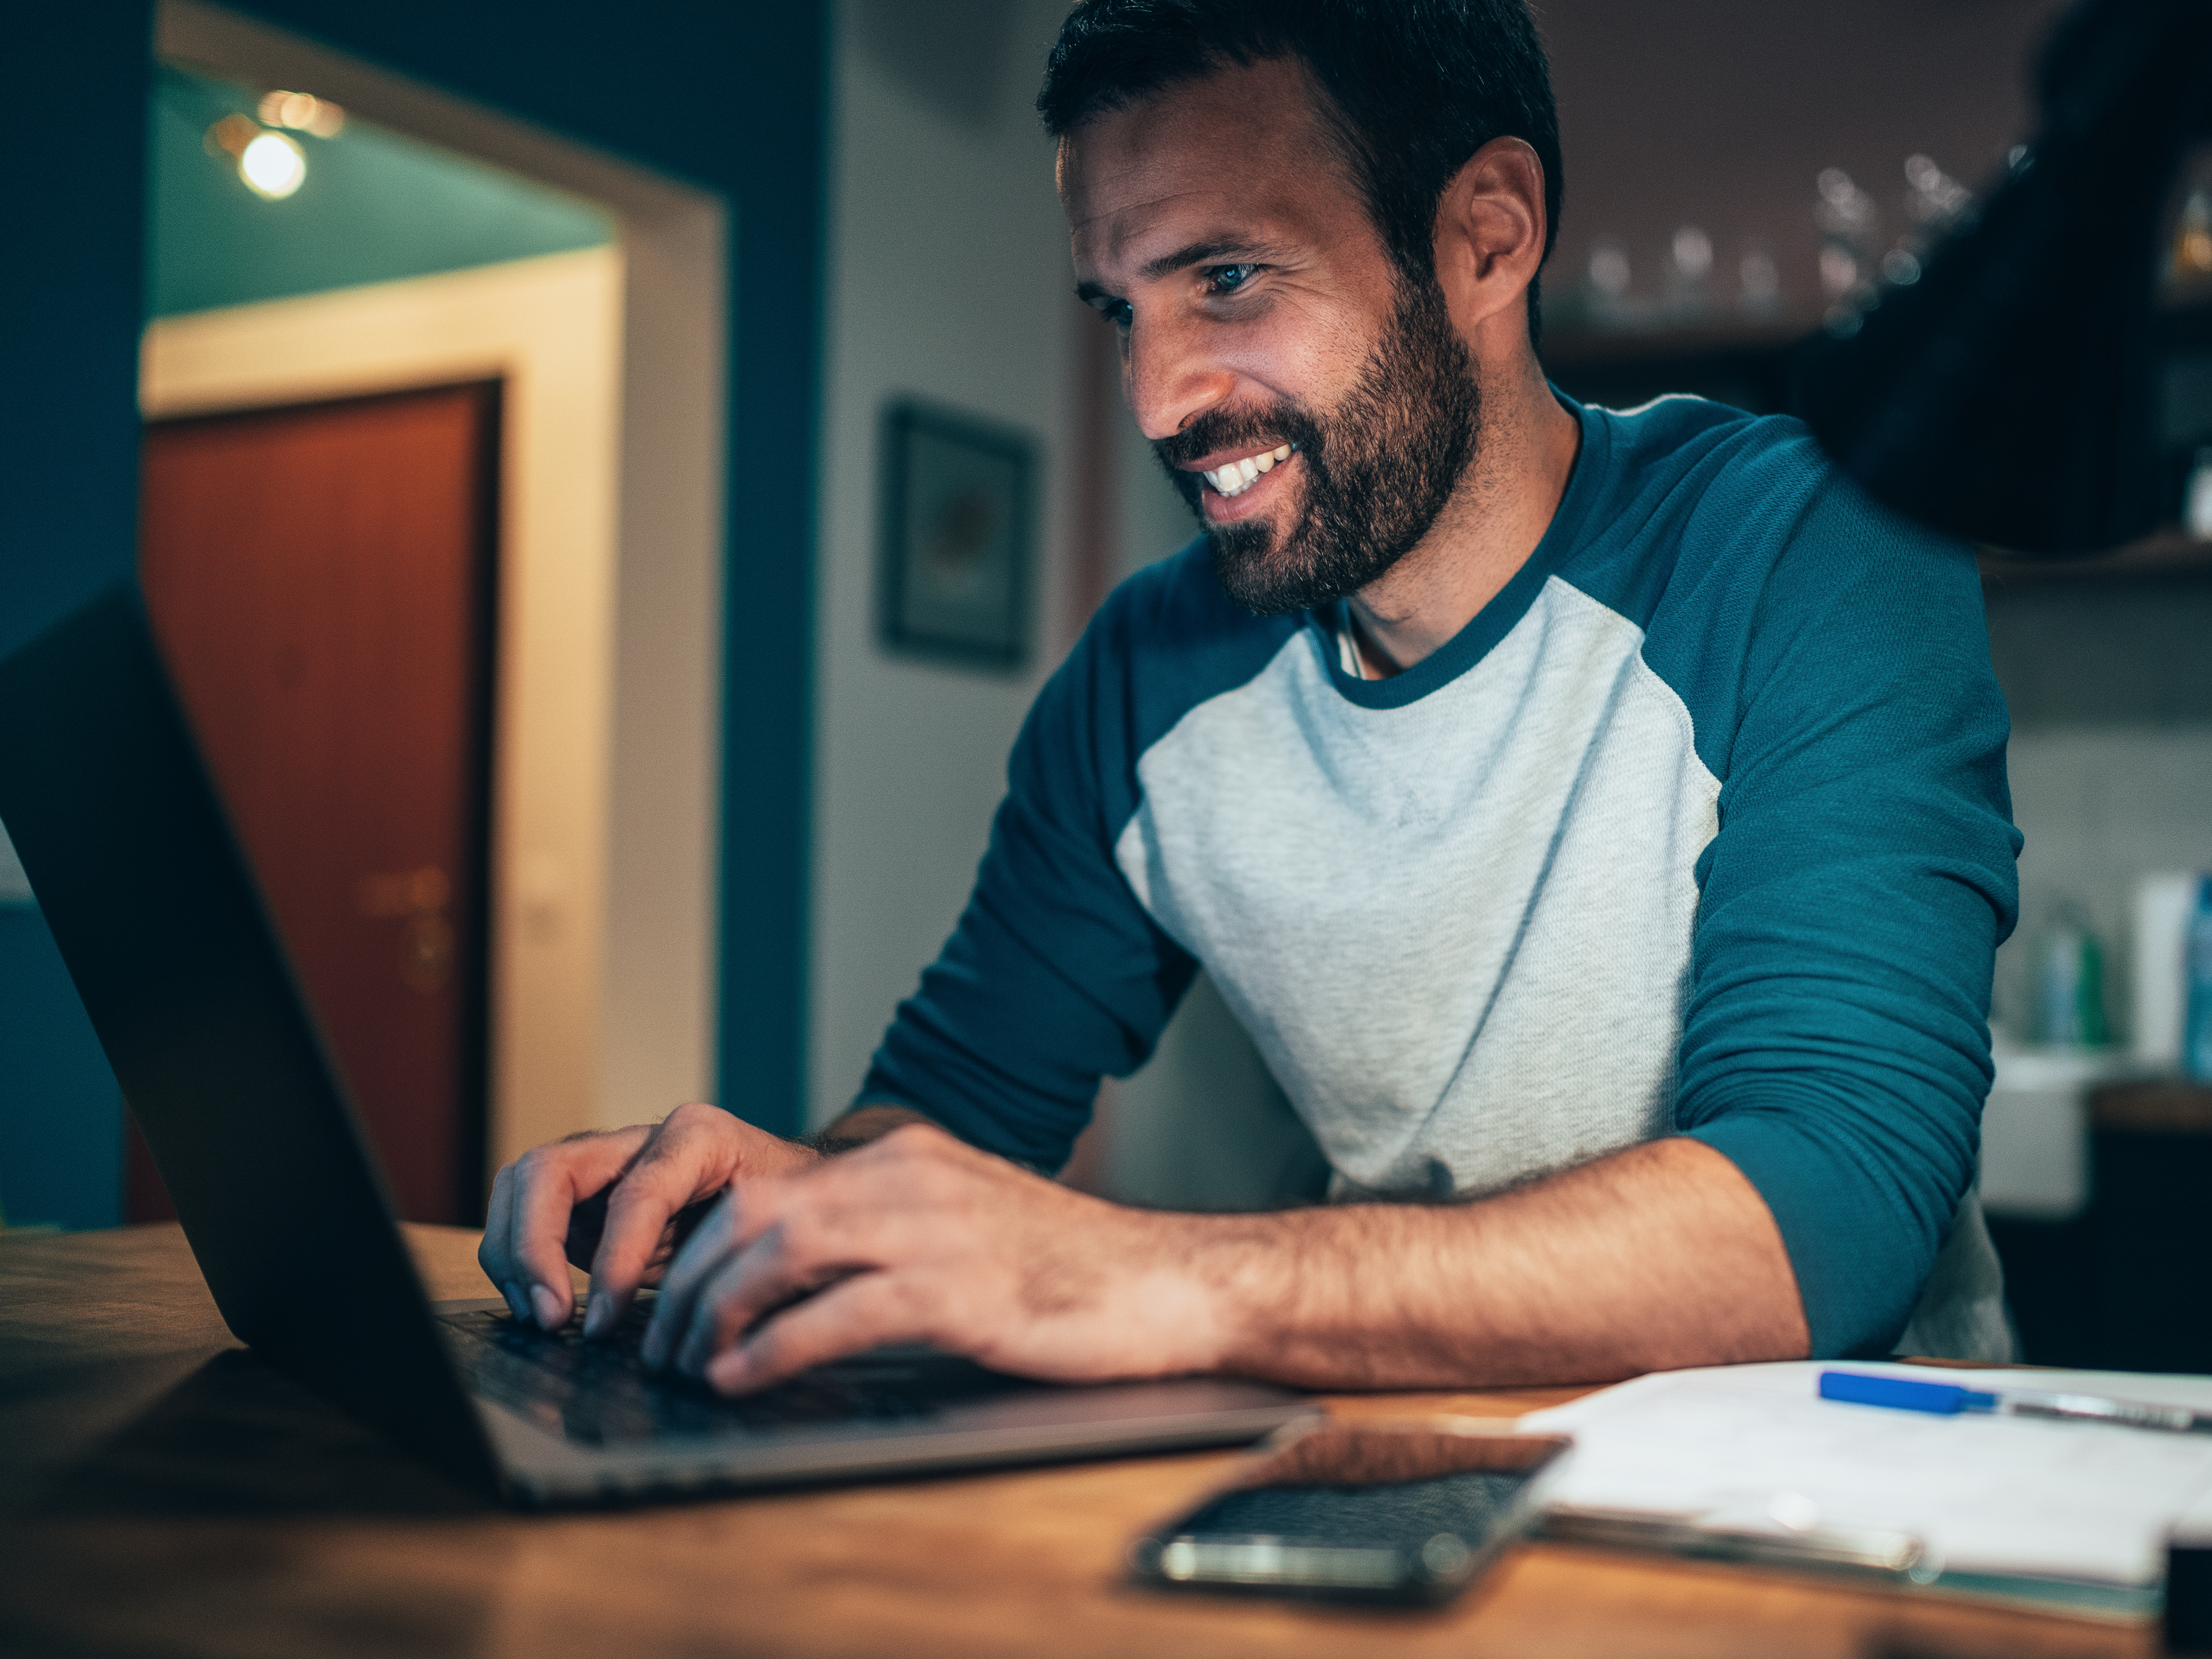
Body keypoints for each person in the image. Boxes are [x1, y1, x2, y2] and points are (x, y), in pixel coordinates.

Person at [479, 0, 2021, 1397]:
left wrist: (1161, 1277)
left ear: (1486, 237)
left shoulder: (1808, 548)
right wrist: (795, 1203)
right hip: (1392, 1455)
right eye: (1120, 309)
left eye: (1227, 276)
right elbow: (948, 1119)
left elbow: (1830, 1210)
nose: (1158, 400)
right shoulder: (1143, 680)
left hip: (1833, 1499)